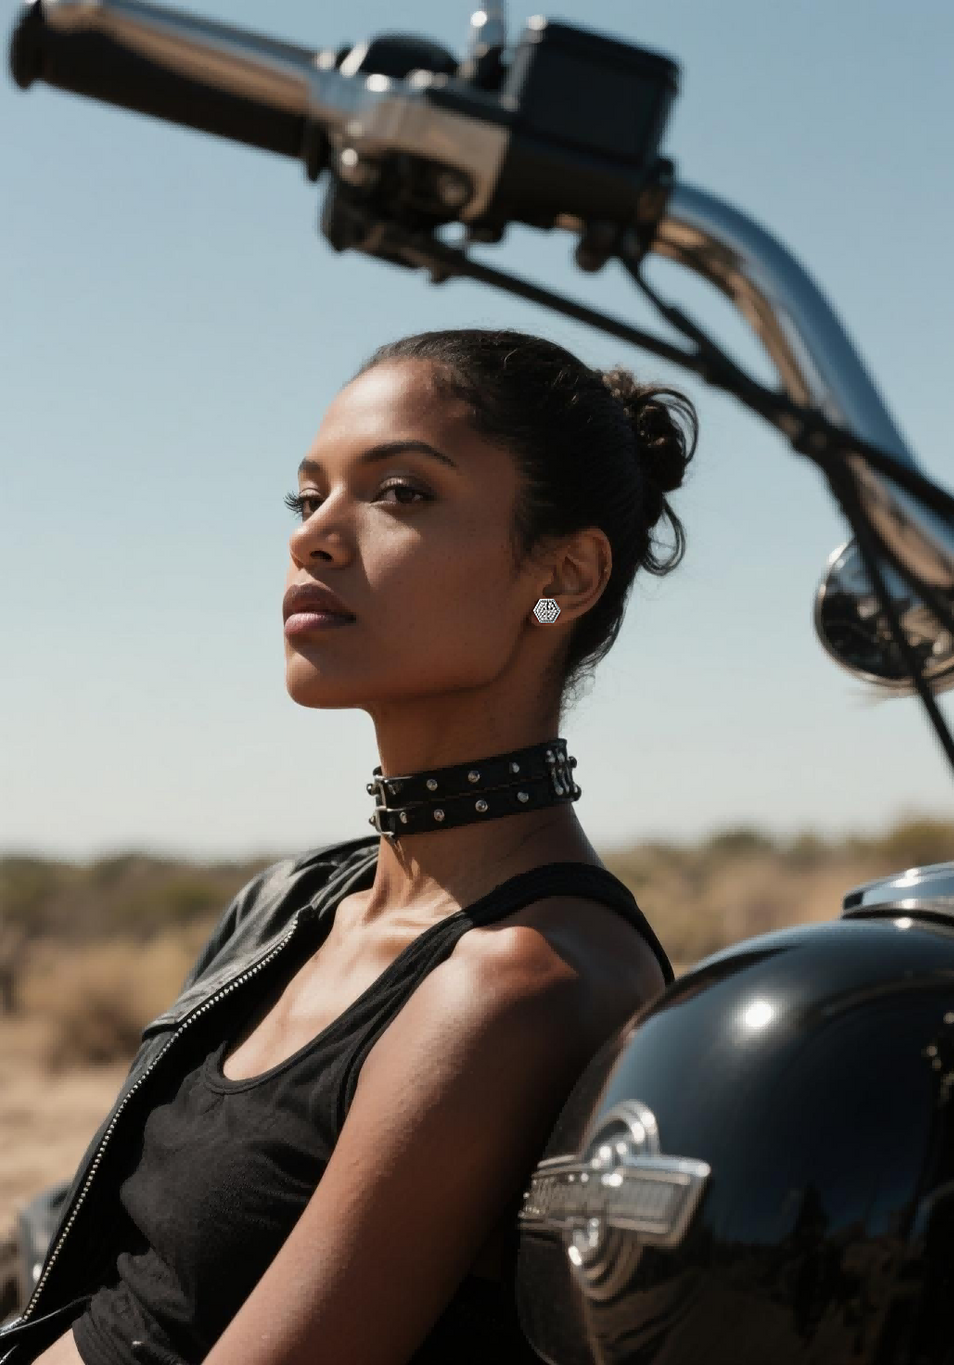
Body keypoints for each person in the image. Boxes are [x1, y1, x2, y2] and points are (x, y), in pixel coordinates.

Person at [3, 327, 698, 1365]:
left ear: (566, 572)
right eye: (307, 497)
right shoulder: (295, 903)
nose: (315, 538)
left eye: (402, 493)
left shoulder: (518, 982)